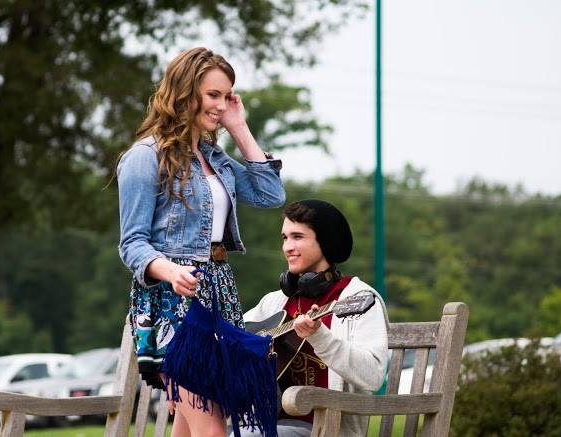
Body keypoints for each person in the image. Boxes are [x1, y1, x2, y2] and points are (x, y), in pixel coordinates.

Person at [117, 47, 285, 437]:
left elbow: (270, 194)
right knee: (210, 429)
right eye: (213, 95)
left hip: (219, 290)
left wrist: (239, 127)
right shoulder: (145, 156)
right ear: (184, 92)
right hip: (173, 300)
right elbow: (133, 244)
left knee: (193, 429)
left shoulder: (217, 158)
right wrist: (171, 271)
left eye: (227, 96)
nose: (221, 104)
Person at [235, 199, 389, 437]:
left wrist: (320, 337)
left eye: (298, 237)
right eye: (285, 238)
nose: (288, 247)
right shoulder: (275, 302)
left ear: (325, 242)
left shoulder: (356, 298)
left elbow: (373, 376)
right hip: (265, 422)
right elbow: (234, 334)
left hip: (327, 429)